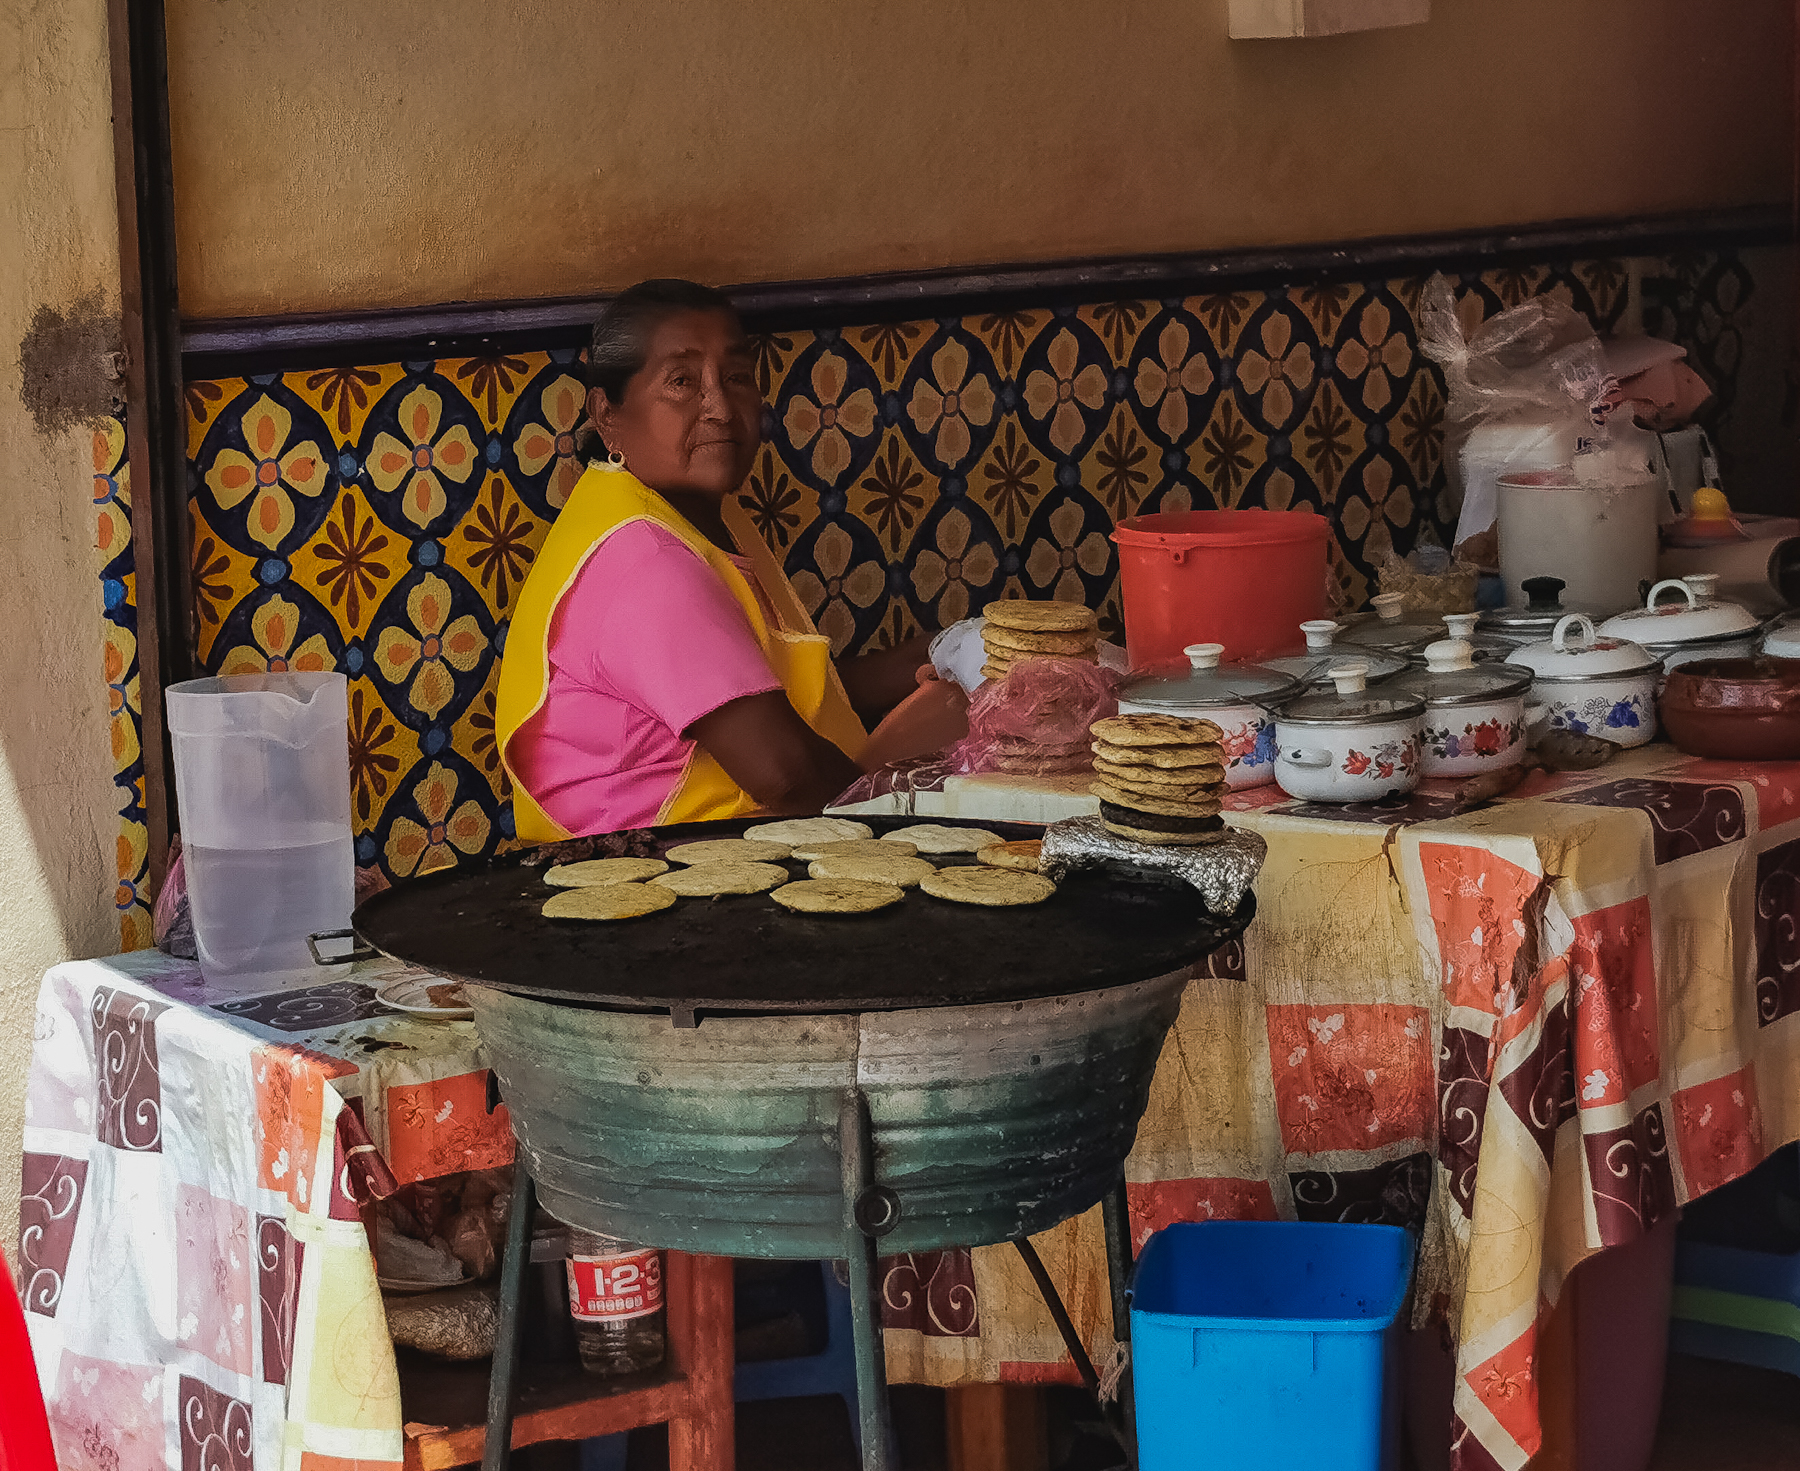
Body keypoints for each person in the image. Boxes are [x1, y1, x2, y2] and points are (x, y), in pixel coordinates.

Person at [496, 279, 966, 841]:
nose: (720, 408)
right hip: (650, 885)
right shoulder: (644, 559)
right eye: (682, 382)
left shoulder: (694, 514)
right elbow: (787, 775)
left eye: (737, 378)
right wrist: (936, 830)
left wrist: (948, 648)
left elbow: (788, 698)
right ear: (607, 412)